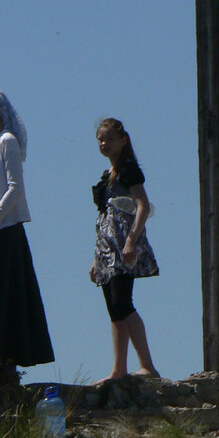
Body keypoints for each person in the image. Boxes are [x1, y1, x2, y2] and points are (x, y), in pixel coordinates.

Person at [0, 88, 55, 380]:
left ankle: (7, 361)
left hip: (4, 229)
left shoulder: (7, 141)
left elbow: (15, 188)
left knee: (6, 294)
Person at [91, 118, 161, 380]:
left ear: (123, 140)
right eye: (100, 139)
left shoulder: (128, 170)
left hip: (122, 245)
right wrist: (96, 259)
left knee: (123, 302)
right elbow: (102, 222)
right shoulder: (106, 177)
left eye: (109, 138)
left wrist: (132, 239)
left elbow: (143, 204)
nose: (104, 143)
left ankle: (147, 365)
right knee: (114, 307)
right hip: (107, 249)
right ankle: (118, 368)